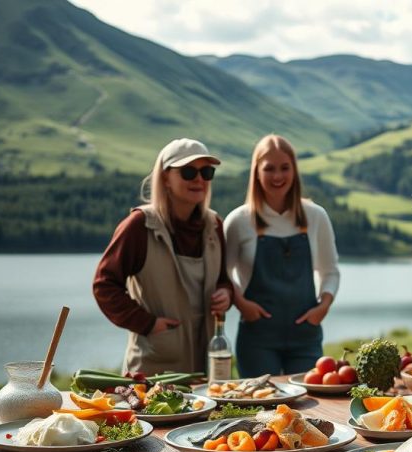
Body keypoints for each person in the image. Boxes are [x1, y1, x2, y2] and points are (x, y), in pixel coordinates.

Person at [93, 138, 233, 375]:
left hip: (206, 364)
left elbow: (223, 279)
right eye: (188, 172)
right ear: (165, 178)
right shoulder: (139, 225)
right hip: (154, 365)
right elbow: (104, 285)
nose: (199, 179)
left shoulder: (214, 225)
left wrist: (226, 293)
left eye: (207, 172)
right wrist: (147, 324)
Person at [224, 135, 340, 377]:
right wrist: (242, 304)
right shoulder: (238, 220)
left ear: (294, 171)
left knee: (312, 409)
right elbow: (222, 274)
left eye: (285, 168)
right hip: (257, 339)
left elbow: (330, 271)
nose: (278, 176)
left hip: (306, 338)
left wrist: (324, 305)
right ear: (256, 172)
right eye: (269, 169)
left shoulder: (316, 216)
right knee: (258, 409)